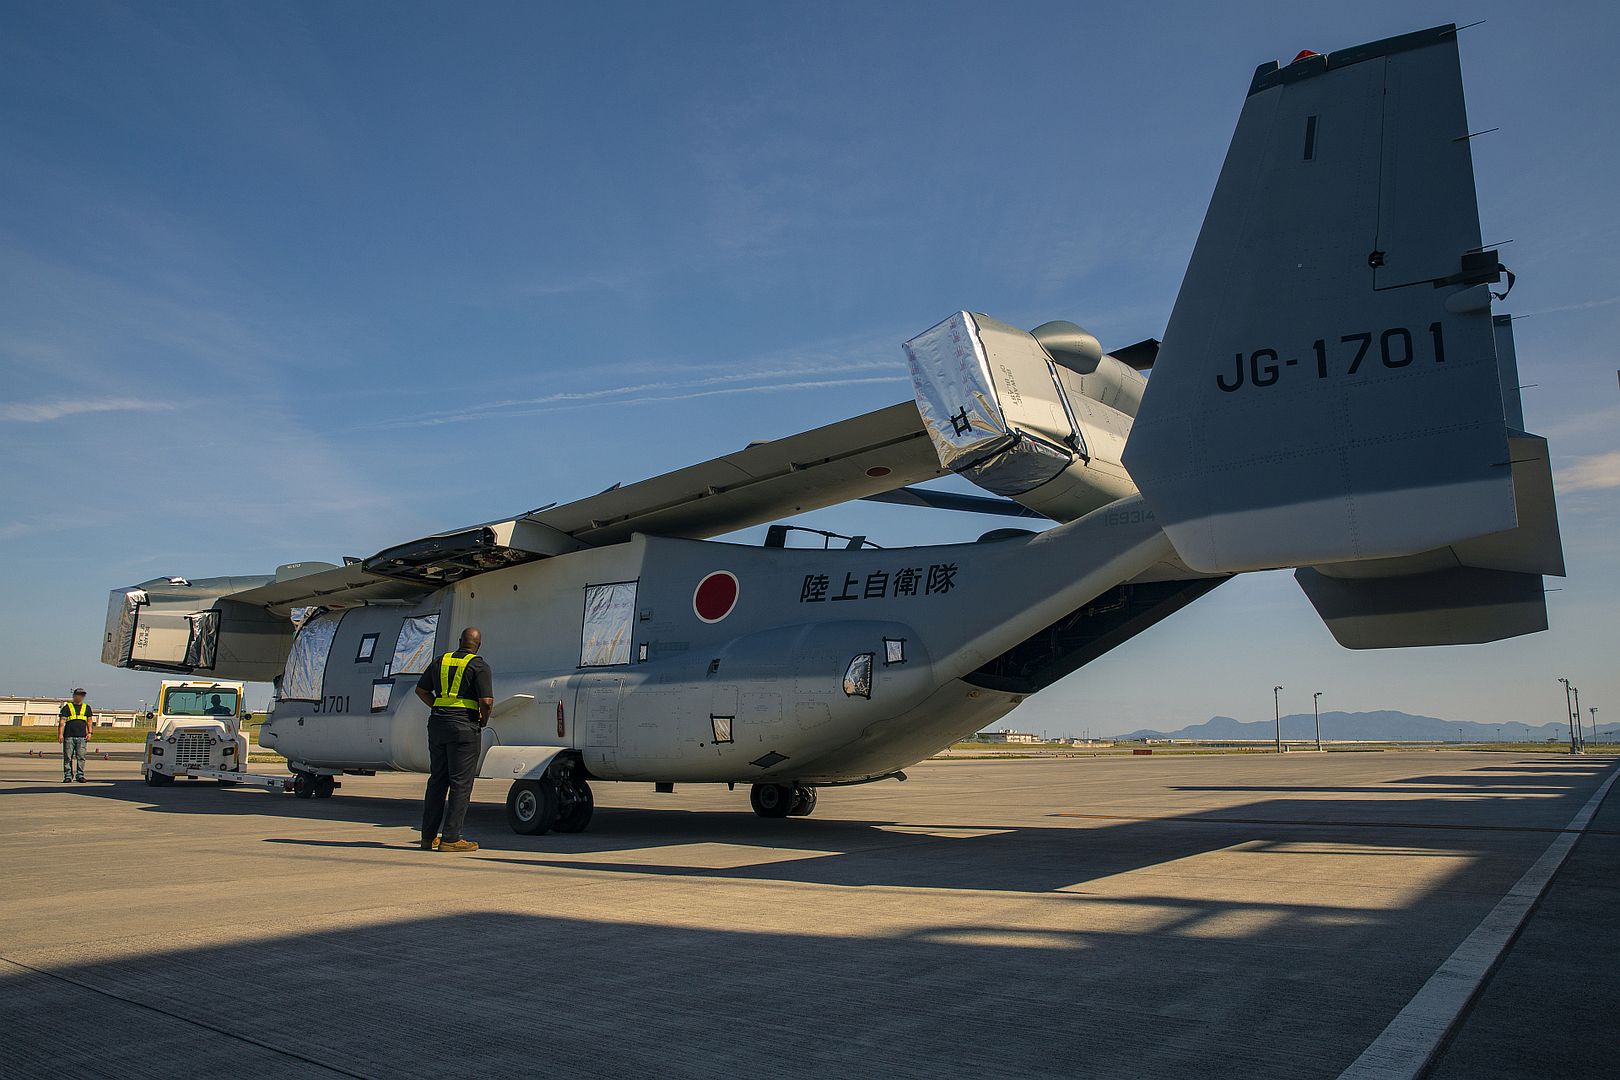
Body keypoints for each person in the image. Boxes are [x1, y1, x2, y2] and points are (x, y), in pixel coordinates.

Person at [414, 627, 493, 852]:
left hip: (438, 725)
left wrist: (438, 707)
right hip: (464, 728)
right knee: (460, 784)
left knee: (437, 781)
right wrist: (483, 720)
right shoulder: (479, 666)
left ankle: (428, 837)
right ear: (478, 645)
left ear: (460, 641)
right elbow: (486, 701)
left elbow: (421, 690)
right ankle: (451, 838)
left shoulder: (441, 661)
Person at [58, 688, 93, 783]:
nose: (80, 697)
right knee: (68, 757)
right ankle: (68, 776)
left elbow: (89, 721)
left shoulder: (87, 707)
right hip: (69, 736)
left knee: (81, 757)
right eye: (78, 694)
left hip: (82, 737)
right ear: (74, 695)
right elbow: (62, 722)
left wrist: (90, 733)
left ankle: (80, 775)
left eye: (82, 695)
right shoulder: (67, 707)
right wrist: (60, 734)